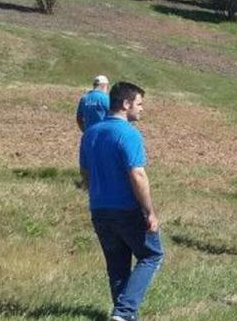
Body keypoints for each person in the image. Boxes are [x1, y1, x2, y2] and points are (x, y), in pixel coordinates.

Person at [79, 82, 163, 321]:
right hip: (126, 209)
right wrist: (149, 212)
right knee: (151, 255)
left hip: (99, 208)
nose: (141, 109)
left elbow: (84, 172)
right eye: (139, 104)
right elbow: (137, 174)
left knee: (117, 266)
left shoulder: (90, 133)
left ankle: (122, 315)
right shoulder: (128, 133)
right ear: (126, 104)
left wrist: (95, 191)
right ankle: (125, 313)